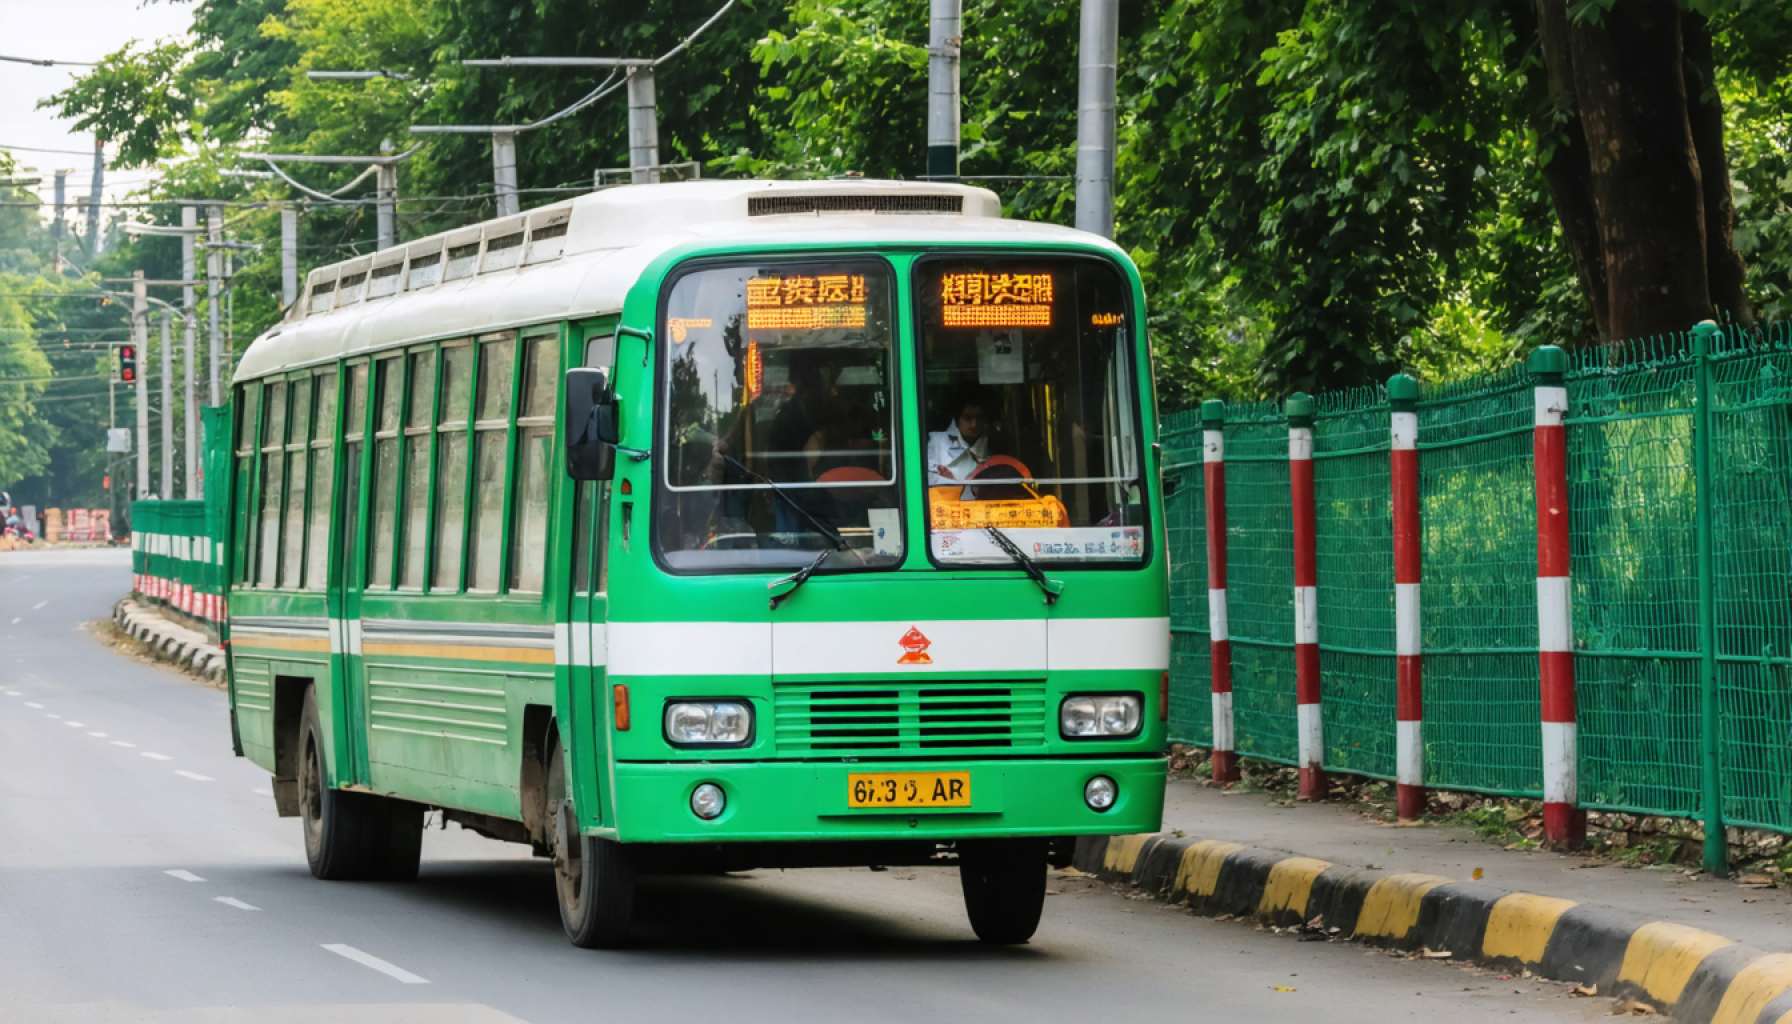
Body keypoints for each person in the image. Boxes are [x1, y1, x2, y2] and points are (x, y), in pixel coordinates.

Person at [927, 389, 993, 499]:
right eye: (968, 418)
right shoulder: (936, 442)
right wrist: (952, 485)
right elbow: (924, 480)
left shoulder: (992, 449)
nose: (974, 425)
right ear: (957, 419)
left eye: (979, 418)